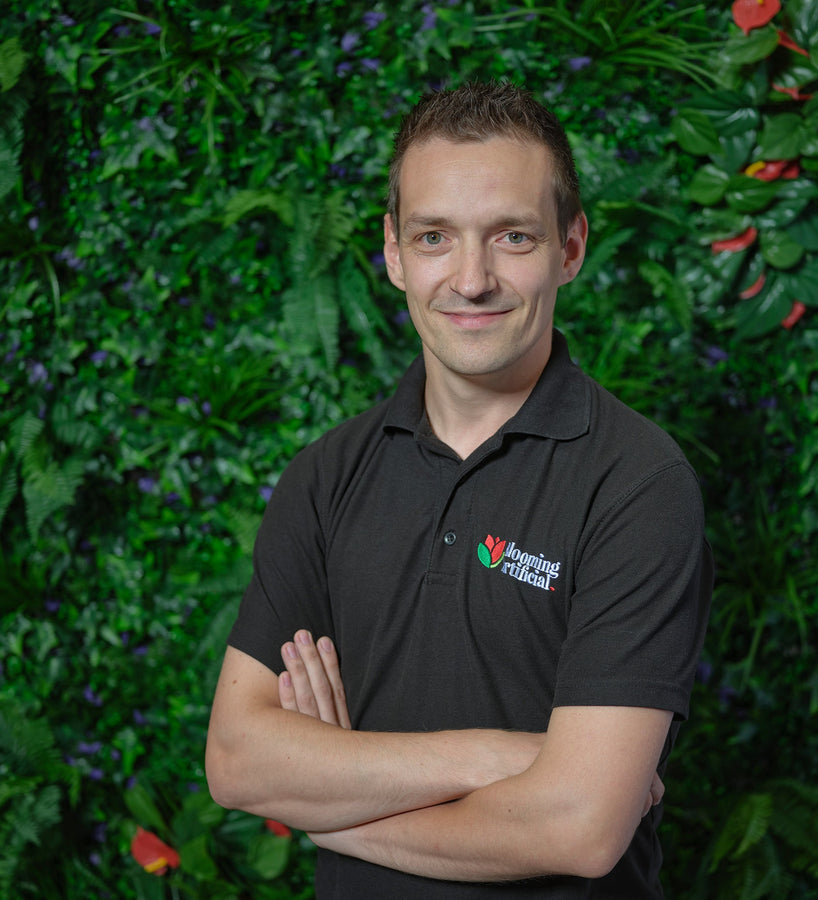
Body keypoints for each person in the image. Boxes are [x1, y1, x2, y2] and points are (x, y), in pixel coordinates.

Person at [205, 80, 713, 898]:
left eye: (512, 236)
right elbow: (236, 762)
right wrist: (500, 756)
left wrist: (325, 803)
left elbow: (579, 829)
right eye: (435, 236)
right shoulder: (325, 477)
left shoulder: (637, 486)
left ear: (571, 247)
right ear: (395, 252)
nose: (470, 280)